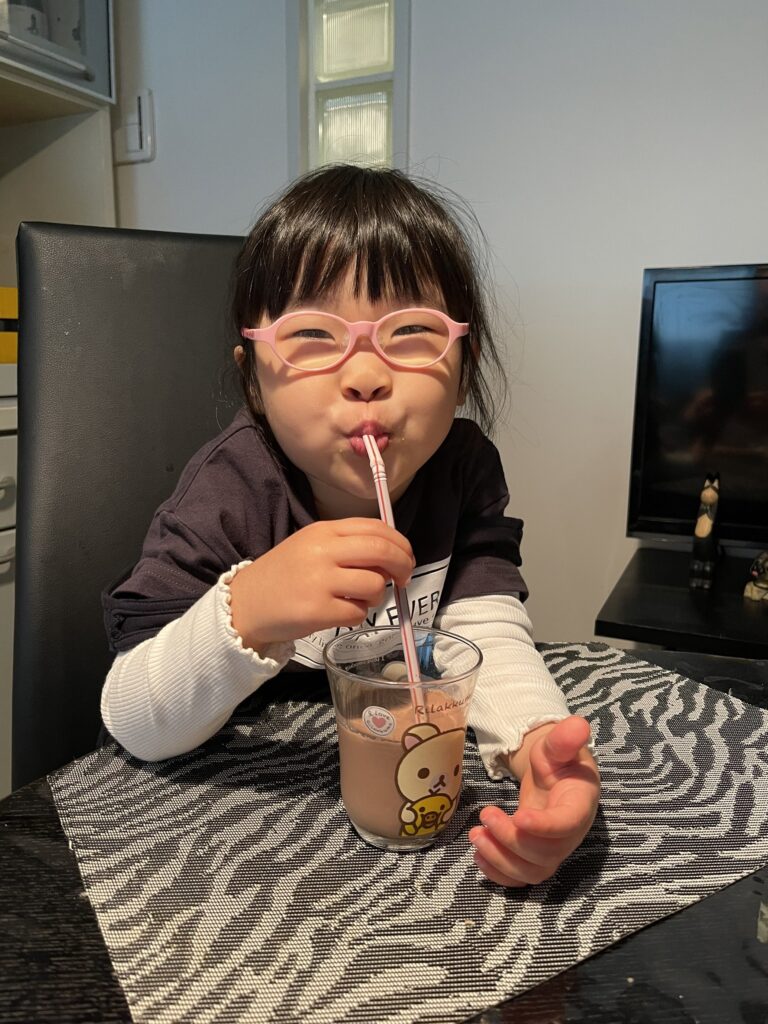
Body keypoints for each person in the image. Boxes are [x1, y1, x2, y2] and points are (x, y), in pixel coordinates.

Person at [101, 164, 600, 888]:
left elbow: (482, 628)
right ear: (254, 380)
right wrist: (248, 610)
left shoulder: (461, 469)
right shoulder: (229, 491)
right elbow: (131, 718)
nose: (366, 375)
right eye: (311, 334)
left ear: (464, 368)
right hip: (240, 829)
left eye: (413, 332)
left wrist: (536, 745)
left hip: (416, 786)